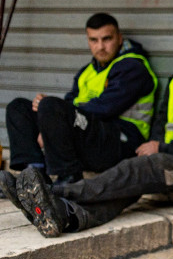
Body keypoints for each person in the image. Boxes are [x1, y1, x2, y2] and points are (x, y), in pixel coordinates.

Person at [0, 24, 173, 238]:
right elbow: (160, 121)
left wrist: (162, 147)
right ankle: (66, 215)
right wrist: (157, 143)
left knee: (136, 170)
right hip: (171, 154)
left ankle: (52, 192)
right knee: (129, 186)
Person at [4, 12, 157, 184]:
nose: (100, 46)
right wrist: (48, 116)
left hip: (121, 142)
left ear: (120, 39)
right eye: (94, 40)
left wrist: (53, 115)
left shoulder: (133, 67)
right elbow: (69, 103)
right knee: (19, 107)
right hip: (90, 135)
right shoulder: (87, 71)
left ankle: (68, 178)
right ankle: (34, 175)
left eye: (107, 39)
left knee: (51, 107)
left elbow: (105, 108)